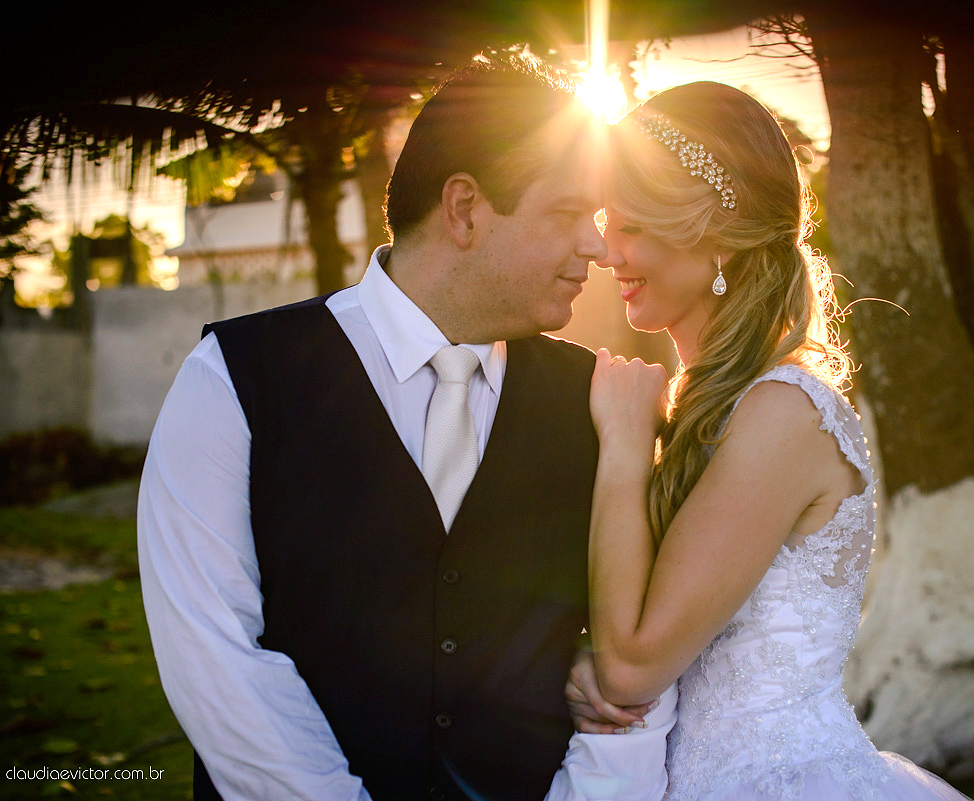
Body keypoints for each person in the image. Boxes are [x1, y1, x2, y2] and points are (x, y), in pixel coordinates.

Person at [137, 53, 658, 801]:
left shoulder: (600, 399)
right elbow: (215, 654)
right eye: (566, 214)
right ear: (465, 209)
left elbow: (632, 672)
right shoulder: (235, 378)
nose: (598, 248)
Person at [583, 81, 973, 800]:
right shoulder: (713, 404)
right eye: (607, 221)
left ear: (718, 236)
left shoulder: (783, 412)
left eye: (632, 224)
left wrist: (624, 446)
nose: (608, 252)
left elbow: (633, 665)